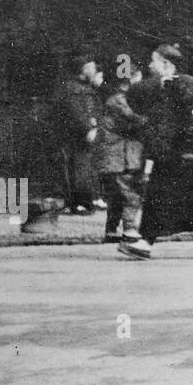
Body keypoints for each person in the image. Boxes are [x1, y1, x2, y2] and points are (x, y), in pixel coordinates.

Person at [119, 44, 193, 261]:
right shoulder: (164, 86)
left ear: (166, 63)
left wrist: (190, 149)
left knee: (190, 200)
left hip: (188, 153)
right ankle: (153, 244)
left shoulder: (188, 84)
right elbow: (133, 96)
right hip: (175, 153)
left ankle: (155, 244)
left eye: (153, 60)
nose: (149, 64)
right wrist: (159, 81)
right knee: (173, 198)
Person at [92, 71, 146, 243]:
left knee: (116, 196)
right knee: (129, 193)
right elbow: (136, 120)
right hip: (120, 156)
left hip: (114, 156)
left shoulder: (113, 100)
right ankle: (129, 229)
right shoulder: (120, 101)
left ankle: (111, 230)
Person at [52, 53, 104, 215]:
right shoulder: (72, 88)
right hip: (77, 135)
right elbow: (76, 112)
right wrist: (88, 128)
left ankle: (88, 200)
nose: (95, 70)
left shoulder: (87, 88)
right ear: (84, 69)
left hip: (89, 133)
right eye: (92, 67)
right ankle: (80, 203)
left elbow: (95, 109)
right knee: (79, 168)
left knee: (86, 167)